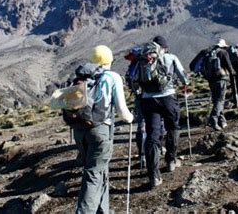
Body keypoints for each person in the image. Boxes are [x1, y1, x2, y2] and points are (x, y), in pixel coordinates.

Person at [74, 45, 133, 214]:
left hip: (80, 131)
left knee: (99, 170)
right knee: (93, 174)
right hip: (100, 130)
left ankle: (102, 209)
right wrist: (130, 118)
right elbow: (122, 110)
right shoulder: (112, 77)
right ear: (110, 60)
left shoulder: (82, 77)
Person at [139, 36, 189, 188]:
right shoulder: (170, 57)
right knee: (173, 127)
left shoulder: (143, 59)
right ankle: (171, 161)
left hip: (148, 100)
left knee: (152, 135)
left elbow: (134, 81)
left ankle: (154, 175)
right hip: (168, 97)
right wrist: (185, 84)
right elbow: (183, 78)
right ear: (164, 47)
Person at [202, 39, 236, 131]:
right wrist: (233, 73)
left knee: (216, 100)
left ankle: (222, 121)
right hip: (221, 79)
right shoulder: (223, 53)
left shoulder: (208, 54)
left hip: (211, 80)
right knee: (220, 100)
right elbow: (229, 66)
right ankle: (213, 120)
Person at [124, 47, 147, 168]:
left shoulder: (134, 66)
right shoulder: (146, 63)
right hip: (153, 97)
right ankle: (154, 151)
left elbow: (130, 82)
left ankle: (142, 155)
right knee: (157, 124)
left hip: (139, 98)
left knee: (141, 126)